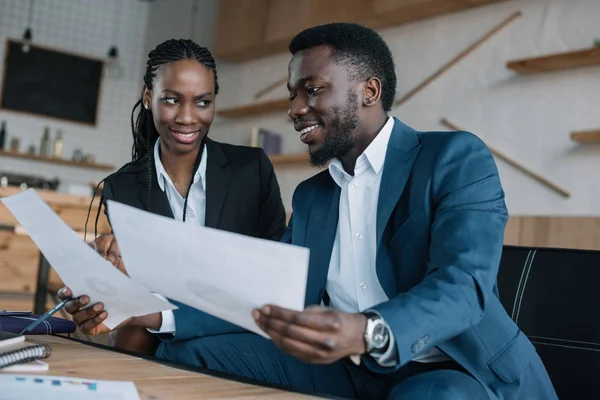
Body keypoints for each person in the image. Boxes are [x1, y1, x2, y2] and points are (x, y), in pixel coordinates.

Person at [150, 23, 558, 399]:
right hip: (348, 370)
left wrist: (368, 332)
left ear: (369, 92)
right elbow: (268, 287)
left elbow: (463, 286)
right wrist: (155, 313)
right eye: (293, 94)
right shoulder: (313, 196)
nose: (294, 108)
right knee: (192, 353)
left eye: (311, 89)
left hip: (456, 371)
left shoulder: (453, 159)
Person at [58, 38, 287, 355]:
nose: (188, 117)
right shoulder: (121, 187)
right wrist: (106, 275)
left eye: (203, 102)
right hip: (162, 323)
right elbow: (141, 287)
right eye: (172, 100)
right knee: (130, 340)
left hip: (240, 324)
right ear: (149, 97)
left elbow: (276, 270)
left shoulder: (252, 169)